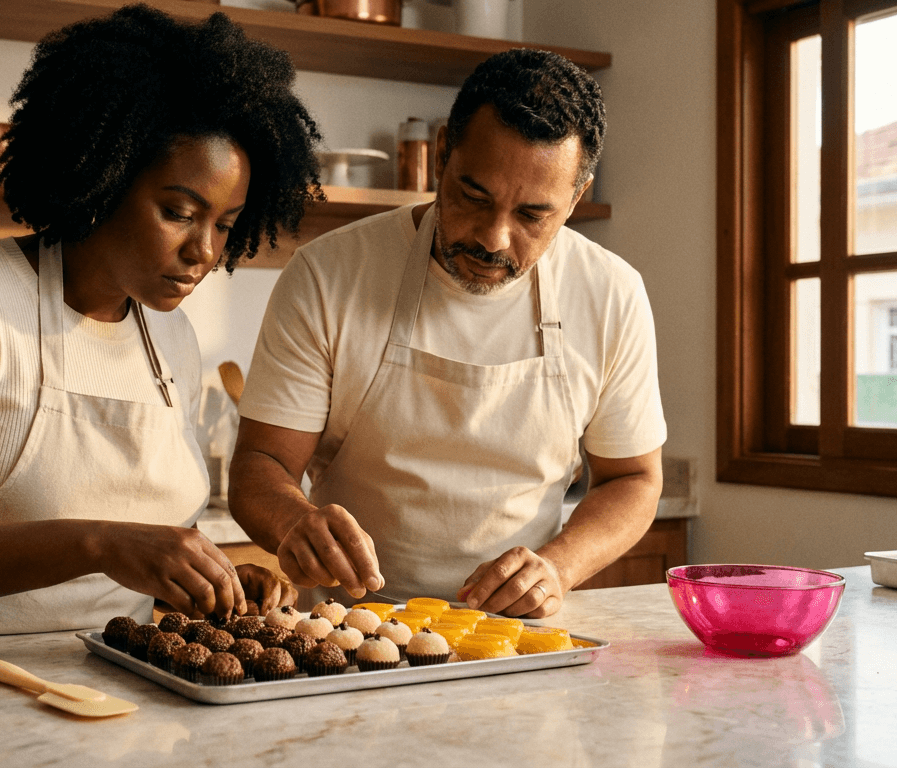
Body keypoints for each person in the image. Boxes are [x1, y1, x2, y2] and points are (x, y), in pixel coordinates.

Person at [0, 5, 321, 636]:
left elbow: (145, 535)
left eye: (225, 225)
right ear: (103, 175)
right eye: (178, 211)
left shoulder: (168, 335)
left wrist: (212, 575)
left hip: (105, 685)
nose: (204, 252)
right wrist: (99, 545)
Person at [229, 49, 666, 619]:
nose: (494, 238)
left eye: (533, 215)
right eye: (473, 196)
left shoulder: (610, 293)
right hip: (353, 630)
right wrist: (294, 522)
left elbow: (633, 479)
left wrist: (558, 567)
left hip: (516, 635)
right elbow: (260, 463)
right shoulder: (329, 274)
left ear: (575, 200)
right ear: (441, 156)